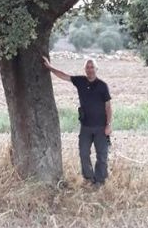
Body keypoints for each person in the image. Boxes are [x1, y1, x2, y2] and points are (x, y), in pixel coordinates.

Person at [42, 55, 112, 187]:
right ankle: (89, 178)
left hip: (101, 127)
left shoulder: (103, 86)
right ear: (84, 69)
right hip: (85, 126)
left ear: (96, 69)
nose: (90, 69)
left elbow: (108, 107)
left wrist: (108, 125)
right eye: (87, 67)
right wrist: (50, 68)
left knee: (102, 156)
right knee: (83, 153)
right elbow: (64, 76)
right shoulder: (80, 81)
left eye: (92, 67)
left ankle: (100, 181)